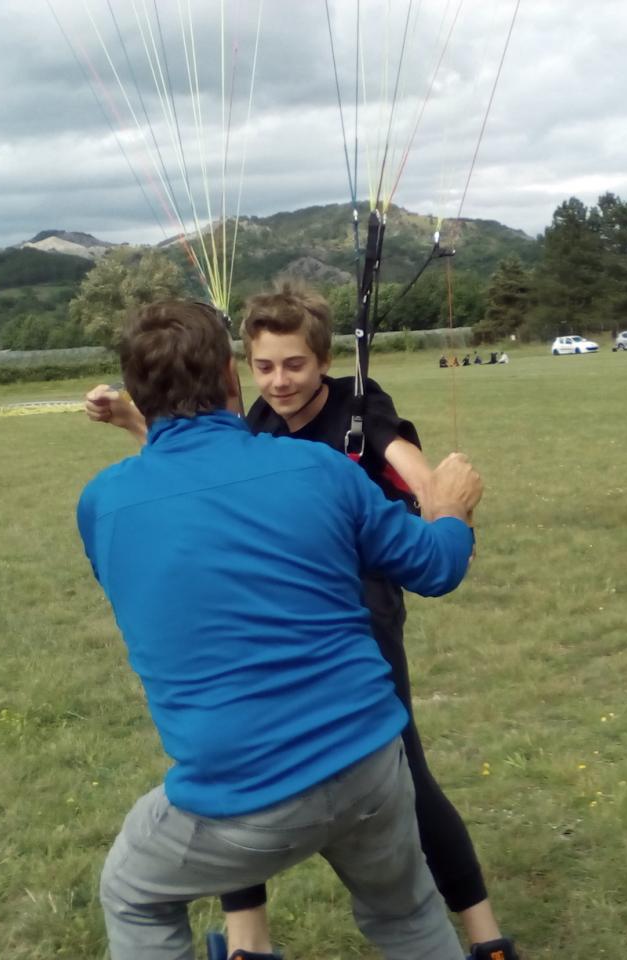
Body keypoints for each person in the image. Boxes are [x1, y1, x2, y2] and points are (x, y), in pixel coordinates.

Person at [86, 283, 520, 960]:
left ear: (138, 394)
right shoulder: (318, 469)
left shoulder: (103, 505)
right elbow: (436, 566)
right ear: (235, 376)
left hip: (239, 792)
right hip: (370, 763)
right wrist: (453, 509)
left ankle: (247, 942)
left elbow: (183, 498)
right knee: (406, 915)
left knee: (134, 891)